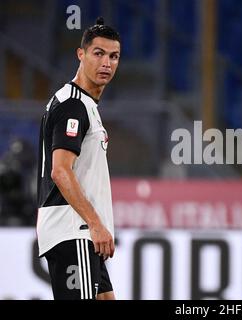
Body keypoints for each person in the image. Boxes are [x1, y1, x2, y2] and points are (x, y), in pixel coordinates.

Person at [36, 17, 120, 300]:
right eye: (98, 53)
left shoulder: (84, 104)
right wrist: (95, 224)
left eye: (113, 56)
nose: (106, 63)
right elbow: (60, 171)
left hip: (83, 234)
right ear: (81, 54)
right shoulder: (73, 106)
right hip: (75, 231)